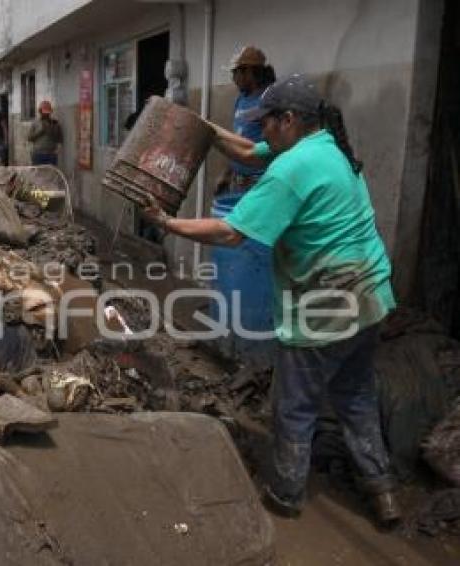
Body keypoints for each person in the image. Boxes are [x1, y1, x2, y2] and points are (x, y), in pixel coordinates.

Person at [143, 75, 401, 527]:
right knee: (356, 398)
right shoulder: (324, 146)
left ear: (289, 120)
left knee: (294, 405)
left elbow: (231, 231)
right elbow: (244, 152)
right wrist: (201, 125)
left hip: (326, 306)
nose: (260, 131)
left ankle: (285, 494)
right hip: (370, 295)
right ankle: (384, 492)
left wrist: (168, 222)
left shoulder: (290, 169)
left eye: (266, 122)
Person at [216, 46, 276, 195]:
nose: (233, 78)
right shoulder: (241, 100)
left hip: (260, 182)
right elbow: (237, 139)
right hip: (239, 183)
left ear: (249, 72)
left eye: (235, 72)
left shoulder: (269, 99)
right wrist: (227, 173)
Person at [27, 100, 63, 166]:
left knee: (50, 175)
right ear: (40, 112)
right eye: (44, 113)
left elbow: (59, 138)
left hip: (51, 154)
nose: (46, 115)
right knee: (38, 174)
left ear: (50, 113)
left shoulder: (55, 124)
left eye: (47, 113)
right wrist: (40, 132)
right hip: (38, 154)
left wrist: (50, 130)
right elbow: (29, 138)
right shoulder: (35, 123)